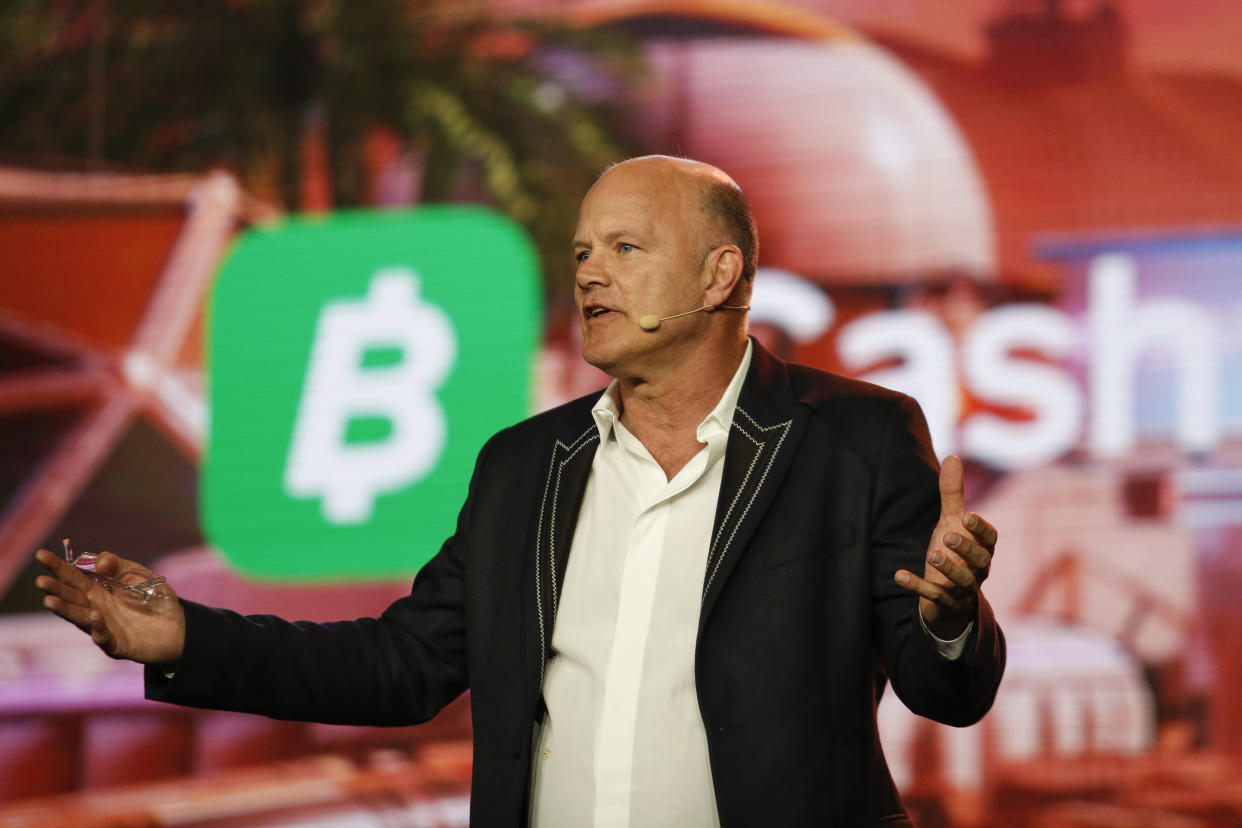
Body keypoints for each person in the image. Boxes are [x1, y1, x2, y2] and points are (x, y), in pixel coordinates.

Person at [36, 156, 1004, 827]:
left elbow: (942, 690)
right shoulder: (523, 465)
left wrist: (952, 616)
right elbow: (406, 665)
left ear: (721, 274)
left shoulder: (856, 438)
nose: (589, 270)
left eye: (625, 248)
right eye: (583, 251)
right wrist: (186, 638)